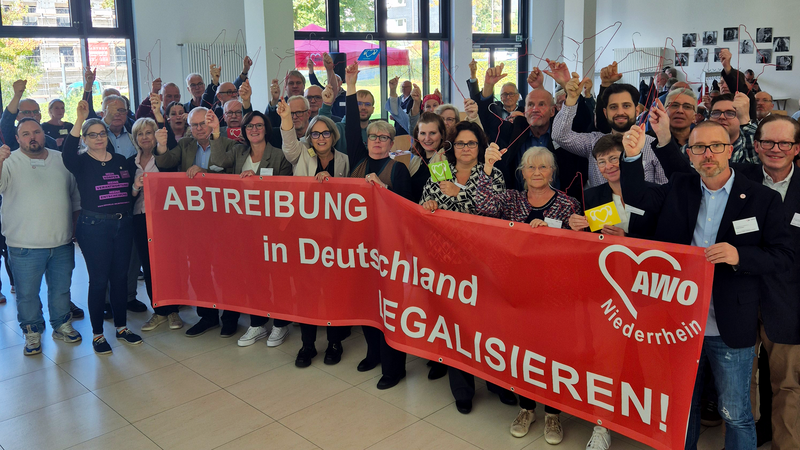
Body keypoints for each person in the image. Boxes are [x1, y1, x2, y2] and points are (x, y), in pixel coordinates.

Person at [619, 121, 793, 450]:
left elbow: (783, 256)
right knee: (683, 408)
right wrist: (630, 157)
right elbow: (638, 201)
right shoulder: (678, 186)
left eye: (715, 146)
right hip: (679, 325)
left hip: (730, 325)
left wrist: (739, 255)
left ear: (730, 149)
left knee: (736, 412)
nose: (707, 154)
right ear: (689, 154)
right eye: (699, 148)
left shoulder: (762, 198)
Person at [474, 144, 575, 441]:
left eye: (543, 167)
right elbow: (484, 206)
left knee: (553, 352)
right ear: (522, 172)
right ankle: (527, 407)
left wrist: (553, 233)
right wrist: (488, 168)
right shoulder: (512, 199)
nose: (537, 172)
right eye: (531, 167)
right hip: (516, 291)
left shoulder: (568, 204)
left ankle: (553, 415)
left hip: (554, 294)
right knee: (523, 352)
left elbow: (575, 248)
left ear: (552, 171)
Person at [343, 62, 413, 390]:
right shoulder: (356, 160)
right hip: (359, 247)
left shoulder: (397, 169)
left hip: (387, 250)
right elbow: (349, 126)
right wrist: (351, 84)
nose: (377, 141)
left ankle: (392, 367)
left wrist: (383, 193)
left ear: (390, 142)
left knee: (388, 308)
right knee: (365, 304)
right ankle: (372, 353)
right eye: (372, 136)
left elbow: (404, 210)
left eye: (383, 137)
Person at [63, 100, 143, 355]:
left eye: (101, 134)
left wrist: (135, 187)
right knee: (99, 281)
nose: (98, 138)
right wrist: (79, 119)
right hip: (94, 227)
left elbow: (126, 196)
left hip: (123, 224)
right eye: (92, 135)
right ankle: (98, 334)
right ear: (85, 139)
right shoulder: (80, 162)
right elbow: (66, 152)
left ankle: (121, 327)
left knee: (119, 279)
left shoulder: (120, 160)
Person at [154, 107, 241, 338]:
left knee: (226, 269)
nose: (198, 128)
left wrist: (205, 173)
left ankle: (231, 317)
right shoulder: (185, 145)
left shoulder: (229, 143)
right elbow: (165, 162)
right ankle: (208, 316)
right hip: (195, 219)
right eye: (194, 125)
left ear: (213, 123)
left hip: (223, 218)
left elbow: (232, 174)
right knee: (199, 268)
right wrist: (162, 145)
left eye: (203, 123)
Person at [0, 119, 81, 355]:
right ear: (17, 139)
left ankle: (61, 325)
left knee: (61, 289)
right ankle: (32, 332)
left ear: (43, 134)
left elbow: (75, 196)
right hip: (24, 245)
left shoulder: (61, 159)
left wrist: (76, 230)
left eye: (36, 132)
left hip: (62, 241)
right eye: (25, 134)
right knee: (27, 294)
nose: (32, 137)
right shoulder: (9, 161)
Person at [279, 105, 352, 365]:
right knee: (306, 290)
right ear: (309, 138)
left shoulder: (343, 159)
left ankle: (334, 343)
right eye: (315, 134)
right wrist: (287, 118)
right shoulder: (302, 155)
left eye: (326, 134)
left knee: (333, 290)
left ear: (333, 135)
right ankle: (307, 345)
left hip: (333, 236)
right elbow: (288, 146)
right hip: (304, 234)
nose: (321, 139)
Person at [552, 72, 667, 187]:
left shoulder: (654, 146)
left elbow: (663, 190)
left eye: (626, 106)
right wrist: (572, 99)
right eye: (613, 107)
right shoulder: (593, 142)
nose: (620, 112)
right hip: (602, 204)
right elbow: (560, 136)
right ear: (605, 113)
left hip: (643, 204)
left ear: (637, 111)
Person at [129, 118, 184, 333]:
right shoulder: (129, 162)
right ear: (135, 138)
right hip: (140, 218)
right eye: (140, 134)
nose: (145, 137)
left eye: (149, 133)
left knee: (168, 264)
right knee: (149, 266)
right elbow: (127, 196)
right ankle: (159, 310)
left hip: (164, 219)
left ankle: (173, 310)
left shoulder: (166, 158)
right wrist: (135, 187)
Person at [0, 79, 59, 150]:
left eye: (35, 112)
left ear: (40, 116)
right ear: (17, 116)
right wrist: (17, 96)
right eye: (27, 112)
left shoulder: (51, 143)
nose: (32, 115)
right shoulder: (11, 137)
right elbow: (6, 122)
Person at [408, 112, 448, 202]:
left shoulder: (441, 158)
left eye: (432, 133)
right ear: (417, 135)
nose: (427, 138)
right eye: (422, 133)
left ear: (442, 134)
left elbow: (440, 196)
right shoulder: (416, 159)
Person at [709, 93, 759, 164]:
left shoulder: (750, 146)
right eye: (716, 113)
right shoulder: (696, 146)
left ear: (740, 118)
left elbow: (756, 165)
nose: (722, 117)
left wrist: (745, 122)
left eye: (730, 113)